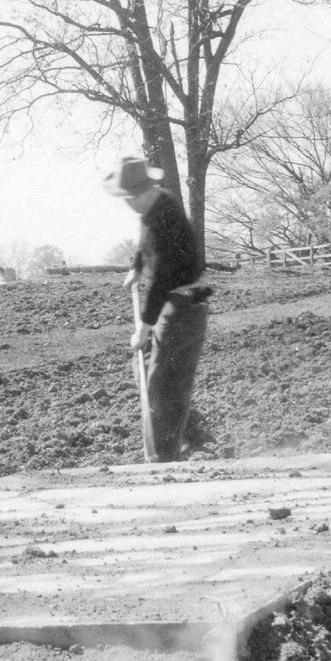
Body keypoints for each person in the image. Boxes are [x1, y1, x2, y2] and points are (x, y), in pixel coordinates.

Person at [107, 155, 212, 462]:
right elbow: (146, 243)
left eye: (128, 198)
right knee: (150, 374)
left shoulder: (163, 216)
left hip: (183, 306)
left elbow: (163, 278)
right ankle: (183, 435)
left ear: (141, 192)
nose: (127, 204)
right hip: (176, 303)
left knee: (162, 385)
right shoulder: (155, 206)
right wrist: (136, 267)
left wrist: (144, 326)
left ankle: (164, 460)